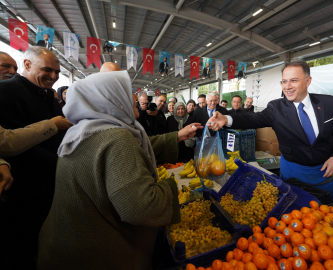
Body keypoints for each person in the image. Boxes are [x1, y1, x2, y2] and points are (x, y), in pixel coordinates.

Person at [37, 71, 202, 270]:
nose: (134, 97)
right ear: (111, 99)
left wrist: (176, 135)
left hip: (64, 248)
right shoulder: (116, 138)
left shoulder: (83, 131)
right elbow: (141, 207)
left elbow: (139, 145)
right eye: (125, 92)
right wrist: (169, 188)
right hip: (96, 257)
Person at [207, 60, 333, 202]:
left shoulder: (328, 103)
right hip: (293, 176)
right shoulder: (276, 108)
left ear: (308, 81)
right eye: (284, 81)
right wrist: (226, 119)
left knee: (327, 217)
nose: (287, 86)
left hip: (325, 176)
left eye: (293, 80)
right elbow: (253, 119)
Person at [0, 46, 72, 269]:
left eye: (57, 72)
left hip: (50, 183)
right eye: (47, 70)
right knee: (23, 247)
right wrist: (63, 165)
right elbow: (15, 144)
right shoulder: (7, 91)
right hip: (24, 187)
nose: (53, 76)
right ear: (28, 65)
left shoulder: (46, 94)